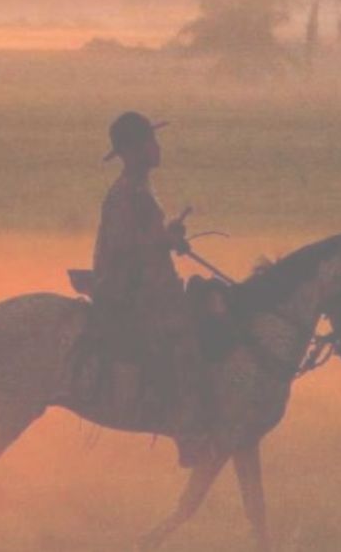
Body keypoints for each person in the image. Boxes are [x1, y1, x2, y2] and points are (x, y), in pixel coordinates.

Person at [89, 111, 211, 466]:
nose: (156, 149)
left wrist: (166, 237)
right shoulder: (126, 192)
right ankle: (185, 432)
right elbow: (125, 246)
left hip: (147, 283)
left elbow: (143, 237)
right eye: (149, 143)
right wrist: (166, 239)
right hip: (130, 290)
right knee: (183, 339)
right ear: (131, 150)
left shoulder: (139, 189)